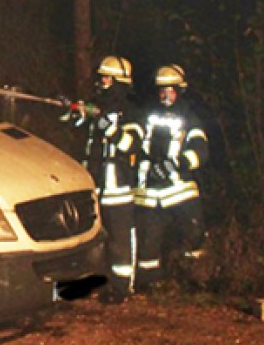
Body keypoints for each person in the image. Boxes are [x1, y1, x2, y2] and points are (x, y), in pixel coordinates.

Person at [62, 55, 143, 303]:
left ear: (119, 82)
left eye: (108, 77)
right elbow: (75, 127)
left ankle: (122, 287)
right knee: (88, 237)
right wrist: (72, 110)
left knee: (119, 239)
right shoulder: (95, 104)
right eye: (101, 77)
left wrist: (107, 125)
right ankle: (87, 283)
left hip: (118, 185)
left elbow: (131, 144)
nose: (103, 81)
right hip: (92, 183)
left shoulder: (131, 112)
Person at [134, 64, 209, 290]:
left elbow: (200, 151)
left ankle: (195, 280)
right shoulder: (147, 116)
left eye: (170, 90)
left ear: (180, 90)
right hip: (149, 193)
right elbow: (137, 146)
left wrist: (175, 165)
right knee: (148, 241)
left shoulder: (190, 118)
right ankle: (149, 286)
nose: (165, 95)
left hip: (180, 190)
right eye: (161, 90)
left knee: (194, 233)